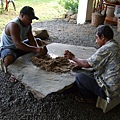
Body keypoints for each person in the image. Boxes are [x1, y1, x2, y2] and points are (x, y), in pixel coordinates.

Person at [64, 25, 120, 103]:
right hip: (117, 86)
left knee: (80, 77)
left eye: (96, 38)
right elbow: (97, 63)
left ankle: (88, 98)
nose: (96, 41)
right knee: (92, 72)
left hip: (110, 90)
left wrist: (73, 57)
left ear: (102, 37)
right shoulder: (115, 45)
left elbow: (87, 64)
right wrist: (80, 64)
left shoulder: (107, 48)